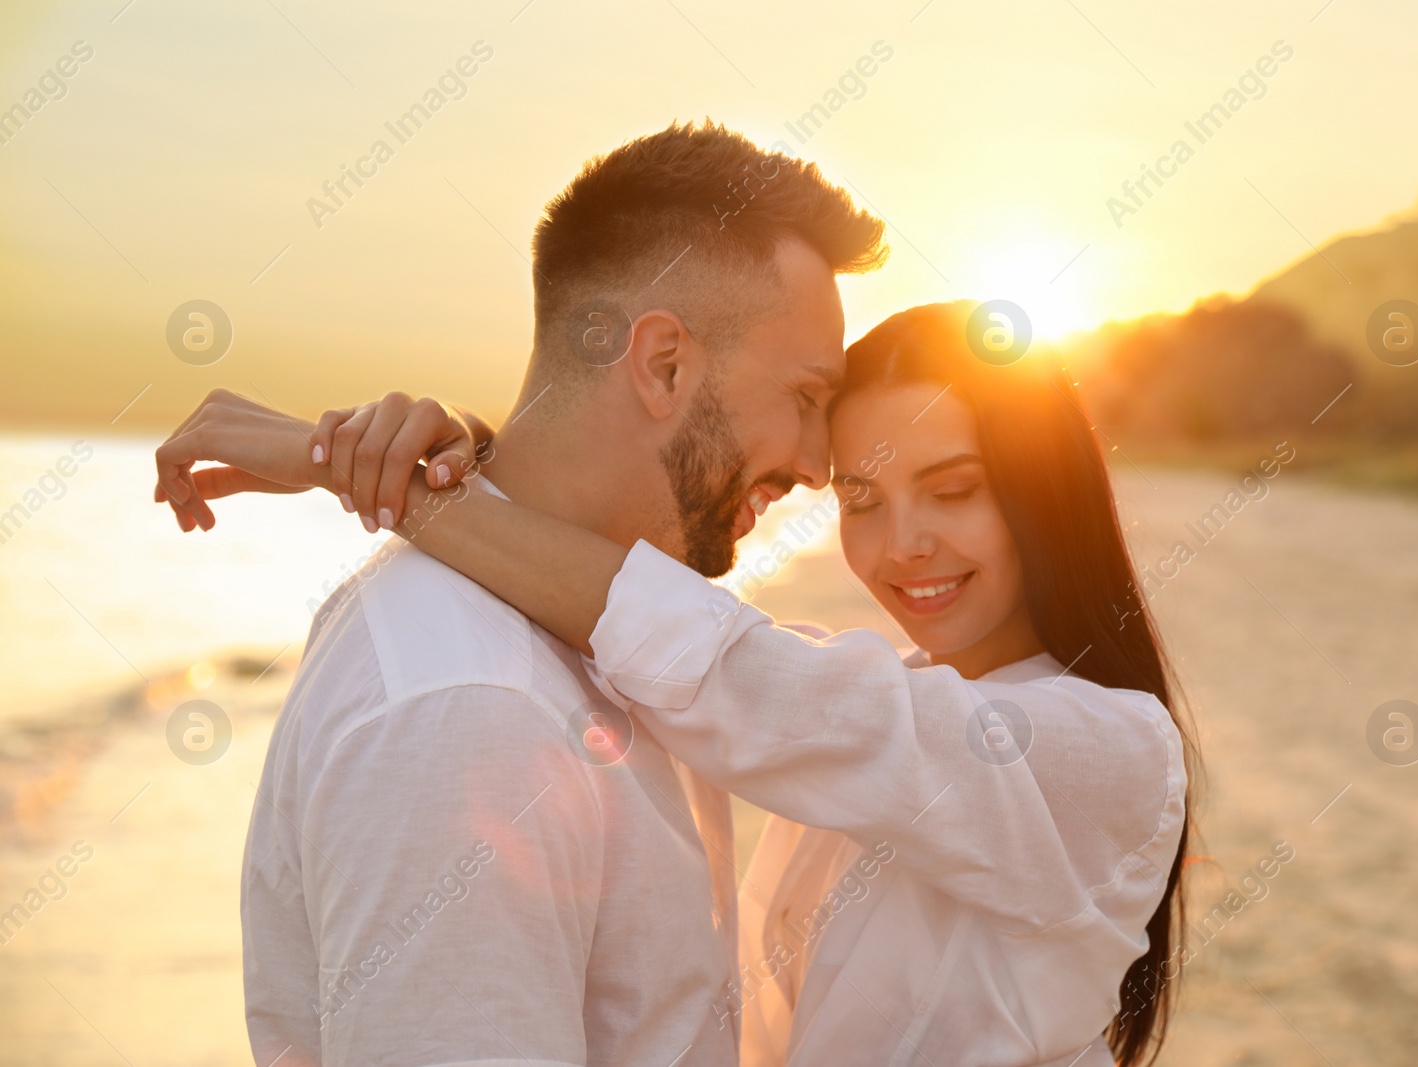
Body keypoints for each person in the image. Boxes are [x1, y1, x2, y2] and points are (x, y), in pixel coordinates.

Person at [160, 299, 1197, 1065]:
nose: (901, 545)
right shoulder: (877, 707)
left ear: (1044, 490)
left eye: (955, 489)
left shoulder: (1106, 749)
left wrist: (363, 472)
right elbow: (690, 651)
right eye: (863, 497)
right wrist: (469, 456)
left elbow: (718, 664)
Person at [153, 121, 888, 1066]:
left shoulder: (610, 631)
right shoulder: (473, 711)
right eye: (803, 396)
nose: (820, 466)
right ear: (663, 364)